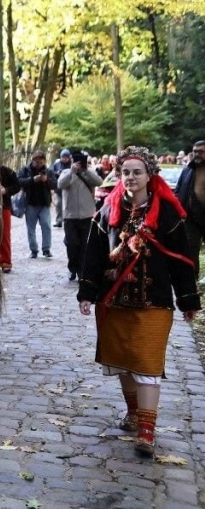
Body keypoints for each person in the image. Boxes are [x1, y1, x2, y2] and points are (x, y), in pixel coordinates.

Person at [77, 146, 200, 458]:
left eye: (137, 172)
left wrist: (188, 300)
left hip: (154, 302)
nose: (130, 178)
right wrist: (87, 293)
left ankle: (147, 431)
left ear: (149, 176)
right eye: (125, 172)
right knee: (121, 362)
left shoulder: (168, 214)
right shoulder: (107, 211)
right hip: (114, 300)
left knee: (146, 363)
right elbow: (92, 255)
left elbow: (183, 260)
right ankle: (133, 415)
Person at [58, 151, 101, 281]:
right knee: (72, 244)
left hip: (87, 215)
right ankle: (73, 268)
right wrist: (72, 172)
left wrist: (86, 171)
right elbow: (60, 184)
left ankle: (82, 270)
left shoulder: (89, 173)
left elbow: (99, 182)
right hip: (70, 216)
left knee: (85, 245)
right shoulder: (66, 173)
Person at [174, 140, 205, 277]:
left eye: (201, 152)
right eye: (195, 151)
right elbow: (178, 190)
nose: (197, 154)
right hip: (190, 217)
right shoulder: (188, 170)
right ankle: (192, 277)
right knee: (191, 248)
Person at [0, 146, 20, 273]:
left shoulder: (7, 172)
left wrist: (6, 190)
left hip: (4, 207)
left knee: (4, 235)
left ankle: (5, 261)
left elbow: (17, 185)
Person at [18, 150, 56, 258]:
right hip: (30, 203)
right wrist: (32, 180)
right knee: (31, 228)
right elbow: (19, 181)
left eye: (41, 162)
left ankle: (46, 248)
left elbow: (55, 184)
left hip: (44, 203)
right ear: (33, 160)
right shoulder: (25, 170)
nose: (38, 164)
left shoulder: (49, 171)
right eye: (36, 162)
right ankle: (33, 249)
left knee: (46, 225)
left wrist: (46, 180)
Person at [52, 149, 72, 227]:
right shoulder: (57, 164)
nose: (64, 159)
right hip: (58, 188)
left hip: (68, 187)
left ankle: (67, 219)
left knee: (68, 205)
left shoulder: (71, 165)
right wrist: (57, 173)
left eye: (66, 157)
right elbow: (52, 172)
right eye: (63, 157)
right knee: (58, 204)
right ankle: (58, 220)